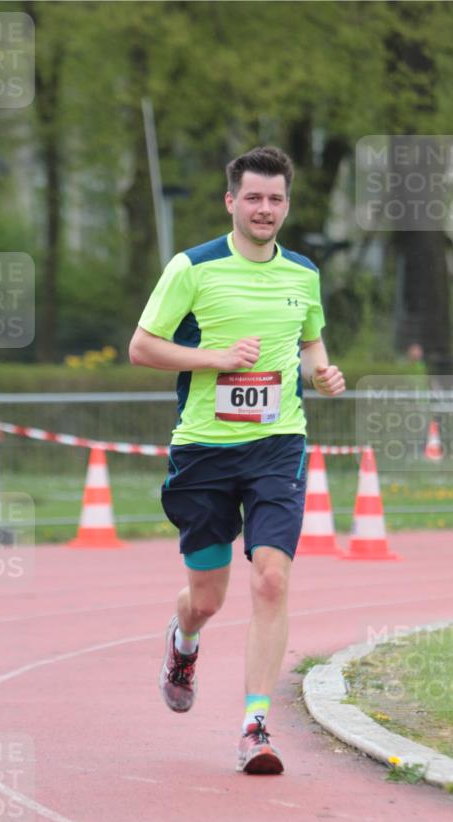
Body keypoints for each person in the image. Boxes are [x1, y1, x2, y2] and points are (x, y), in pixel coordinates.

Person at [129, 146, 345, 774]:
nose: (264, 209)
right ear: (231, 201)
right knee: (207, 597)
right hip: (204, 450)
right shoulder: (192, 268)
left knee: (272, 578)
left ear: (287, 204)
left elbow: (310, 344)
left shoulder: (303, 274)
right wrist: (215, 357)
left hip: (278, 444)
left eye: (275, 198)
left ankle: (255, 724)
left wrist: (323, 373)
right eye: (253, 197)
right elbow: (142, 348)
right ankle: (183, 640)